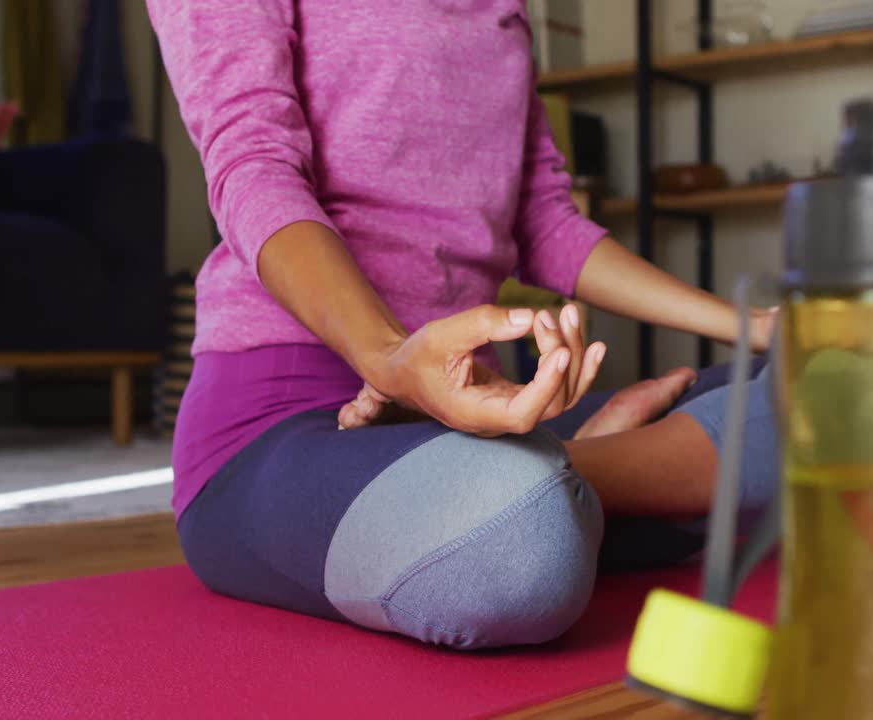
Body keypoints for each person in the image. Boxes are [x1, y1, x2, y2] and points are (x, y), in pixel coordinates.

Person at [149, 0, 778, 650]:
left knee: (827, 391)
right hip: (274, 426)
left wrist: (755, 326)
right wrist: (392, 360)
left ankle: (567, 474)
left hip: (475, 421)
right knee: (521, 548)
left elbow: (542, 219)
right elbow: (253, 168)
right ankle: (576, 481)